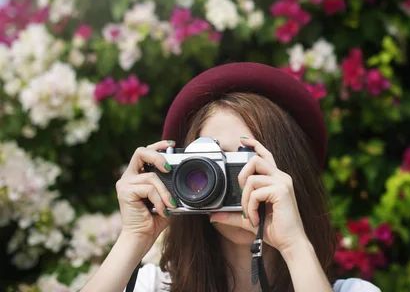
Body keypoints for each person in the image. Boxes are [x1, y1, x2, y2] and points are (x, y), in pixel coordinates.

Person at [82, 62, 381, 292]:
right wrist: (134, 237)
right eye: (211, 163)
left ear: (290, 176)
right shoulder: (152, 286)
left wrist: (295, 246)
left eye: (246, 160)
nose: (235, 180)